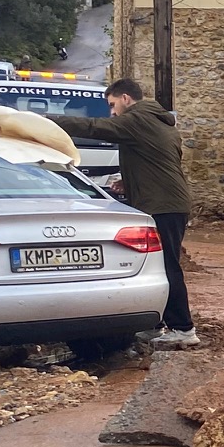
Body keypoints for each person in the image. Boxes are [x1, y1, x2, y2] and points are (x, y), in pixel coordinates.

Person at [52, 78, 199, 349]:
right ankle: (157, 324)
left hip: (162, 205)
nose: (112, 112)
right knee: (157, 264)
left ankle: (183, 328)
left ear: (126, 99)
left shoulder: (137, 119)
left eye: (112, 105)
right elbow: (157, 162)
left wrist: (44, 122)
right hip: (167, 201)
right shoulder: (160, 121)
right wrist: (129, 181)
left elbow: (94, 128)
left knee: (167, 266)